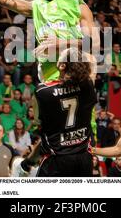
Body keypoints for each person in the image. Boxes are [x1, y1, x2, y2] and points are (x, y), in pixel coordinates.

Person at [35, 48, 97, 177]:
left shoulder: (43, 92)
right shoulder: (88, 86)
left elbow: (37, 120)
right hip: (84, 159)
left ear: (62, 65)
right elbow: (92, 60)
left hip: (57, 159)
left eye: (62, 53)